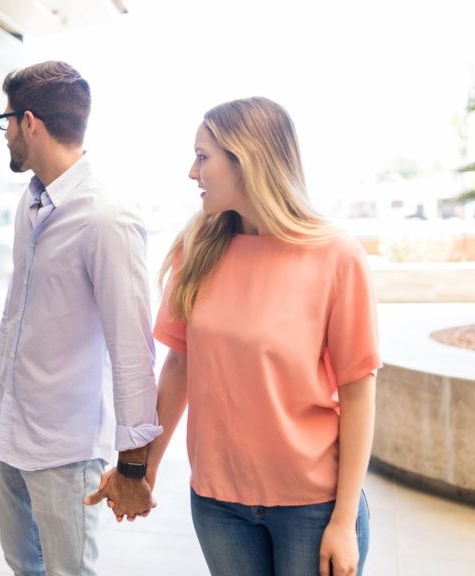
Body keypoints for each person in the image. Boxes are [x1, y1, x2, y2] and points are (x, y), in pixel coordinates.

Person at [147, 97, 380, 576]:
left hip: (312, 505)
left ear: (246, 159)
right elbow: (180, 366)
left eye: (203, 156)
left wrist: (342, 520)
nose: (193, 172)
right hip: (217, 502)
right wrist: (143, 469)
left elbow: (358, 392)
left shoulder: (336, 256)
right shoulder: (196, 249)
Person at [0, 61, 162, 576]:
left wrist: (134, 465)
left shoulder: (107, 218)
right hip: (10, 429)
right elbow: (17, 305)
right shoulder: (30, 204)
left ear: (30, 122)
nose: (5, 133)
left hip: (64, 446)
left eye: (6, 121)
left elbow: (132, 351)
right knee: (22, 563)